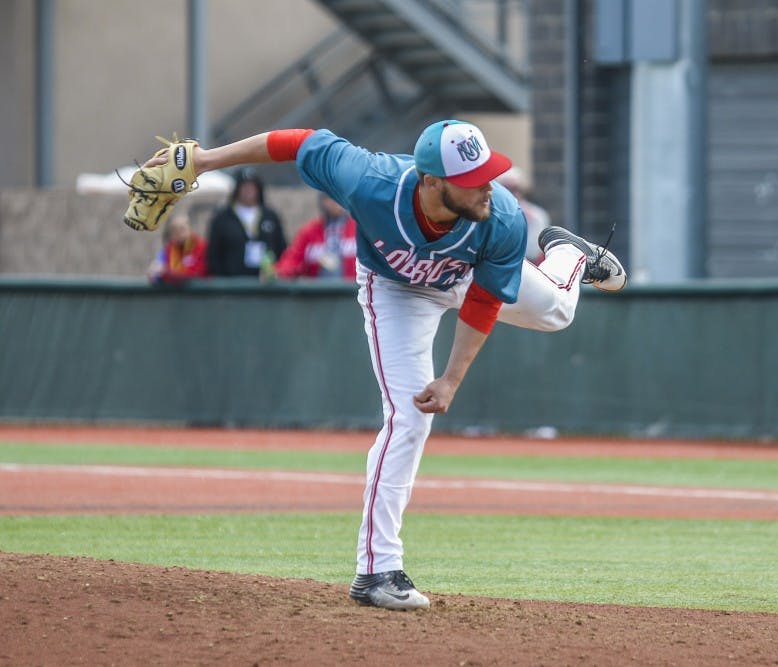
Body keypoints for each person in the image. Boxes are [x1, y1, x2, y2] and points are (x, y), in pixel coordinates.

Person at [142, 119, 626, 611]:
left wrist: (452, 378)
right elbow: (296, 142)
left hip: (467, 274)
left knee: (561, 311)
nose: (487, 184)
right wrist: (203, 160)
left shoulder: (500, 214)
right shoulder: (369, 181)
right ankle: (377, 571)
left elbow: (483, 303)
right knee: (409, 418)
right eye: (472, 176)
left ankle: (566, 252)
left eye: (488, 171)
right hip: (399, 289)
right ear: (432, 181)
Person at [206, 168, 287, 277]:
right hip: (232, 282)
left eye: (253, 186)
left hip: (265, 282)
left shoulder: (270, 216)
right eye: (244, 186)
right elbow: (213, 253)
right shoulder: (222, 217)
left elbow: (282, 247)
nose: (249, 190)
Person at [275, 191, 358, 280]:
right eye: (329, 197)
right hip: (319, 291)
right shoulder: (309, 231)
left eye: (338, 196)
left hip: (353, 291)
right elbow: (291, 260)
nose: (335, 201)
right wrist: (276, 273)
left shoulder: (358, 228)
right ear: (322, 201)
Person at [495, 166, 551, 263]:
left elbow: (533, 252)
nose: (511, 193)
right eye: (506, 188)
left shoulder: (536, 214)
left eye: (515, 189)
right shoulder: (488, 213)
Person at [146, 212, 208, 283]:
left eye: (182, 229)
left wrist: (165, 273)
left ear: (190, 229)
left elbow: (195, 275)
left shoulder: (201, 246)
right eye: (174, 230)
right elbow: (155, 273)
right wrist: (154, 274)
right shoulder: (168, 250)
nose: (179, 234)